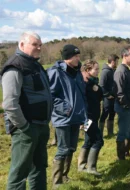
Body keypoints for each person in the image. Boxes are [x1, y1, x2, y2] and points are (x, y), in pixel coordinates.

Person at [1, 31, 52, 190]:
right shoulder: (15, 66)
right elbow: (10, 103)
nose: (38, 48)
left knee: (39, 168)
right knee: (19, 174)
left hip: (41, 125)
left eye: (40, 45)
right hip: (26, 128)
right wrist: (24, 127)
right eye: (34, 45)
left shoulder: (35, 64)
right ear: (21, 45)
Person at [47, 44, 87, 188]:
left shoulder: (77, 72)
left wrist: (83, 114)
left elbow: (82, 94)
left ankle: (65, 176)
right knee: (63, 149)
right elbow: (50, 95)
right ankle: (56, 182)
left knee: (71, 147)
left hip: (76, 117)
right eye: (76, 56)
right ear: (68, 57)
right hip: (63, 118)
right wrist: (66, 109)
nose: (78, 58)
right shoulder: (55, 72)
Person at [113, 46, 130, 160]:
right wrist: (126, 105)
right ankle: (121, 157)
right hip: (125, 108)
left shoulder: (129, 69)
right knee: (123, 132)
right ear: (124, 56)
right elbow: (119, 92)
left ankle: (126, 152)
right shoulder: (120, 71)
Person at [77, 59, 104, 176]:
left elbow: (100, 96)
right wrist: (82, 120)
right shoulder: (84, 83)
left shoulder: (93, 82)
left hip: (93, 117)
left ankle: (81, 166)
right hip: (88, 118)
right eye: (96, 69)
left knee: (88, 140)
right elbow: (83, 102)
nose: (98, 71)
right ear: (88, 70)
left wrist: (98, 89)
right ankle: (91, 168)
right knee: (98, 140)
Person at [99, 54, 119, 137]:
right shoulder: (105, 71)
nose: (118, 63)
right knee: (105, 113)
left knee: (112, 113)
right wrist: (107, 95)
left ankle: (110, 133)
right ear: (113, 62)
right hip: (107, 98)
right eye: (117, 61)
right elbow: (101, 85)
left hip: (114, 97)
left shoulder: (113, 70)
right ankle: (99, 133)